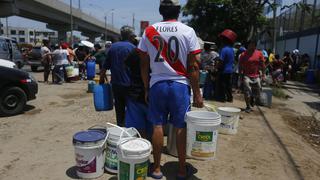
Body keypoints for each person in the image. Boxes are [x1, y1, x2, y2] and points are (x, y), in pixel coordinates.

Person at [137, 0, 203, 179]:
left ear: (161, 11)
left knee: (157, 126)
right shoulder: (188, 31)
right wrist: (197, 93)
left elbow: (143, 64)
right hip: (180, 86)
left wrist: (146, 87)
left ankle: (157, 169)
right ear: (178, 11)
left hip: (157, 84)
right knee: (180, 126)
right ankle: (181, 170)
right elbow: (194, 66)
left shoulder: (149, 31)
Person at [100, 26, 137, 127]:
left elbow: (104, 67)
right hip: (130, 85)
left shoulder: (113, 48)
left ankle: (120, 128)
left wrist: (101, 80)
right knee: (132, 109)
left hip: (116, 84)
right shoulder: (133, 48)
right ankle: (130, 129)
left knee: (119, 109)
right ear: (130, 36)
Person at [124, 37, 152, 138]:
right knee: (153, 121)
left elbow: (126, 66)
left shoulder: (135, 52)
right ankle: (149, 142)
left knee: (137, 123)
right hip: (151, 90)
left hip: (134, 91)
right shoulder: (155, 51)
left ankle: (142, 143)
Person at [239, 39, 266, 113]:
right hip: (246, 75)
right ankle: (248, 106)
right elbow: (240, 66)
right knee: (247, 91)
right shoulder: (243, 54)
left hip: (256, 75)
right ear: (248, 45)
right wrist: (240, 76)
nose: (252, 46)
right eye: (251, 44)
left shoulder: (259, 53)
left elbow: (263, 65)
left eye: (254, 44)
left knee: (258, 90)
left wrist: (263, 75)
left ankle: (253, 98)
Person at [217, 29, 237, 102]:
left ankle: (222, 98)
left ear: (224, 40)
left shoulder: (224, 49)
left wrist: (217, 67)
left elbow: (221, 61)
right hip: (230, 70)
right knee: (228, 85)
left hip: (224, 70)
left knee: (222, 85)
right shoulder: (231, 49)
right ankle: (230, 98)